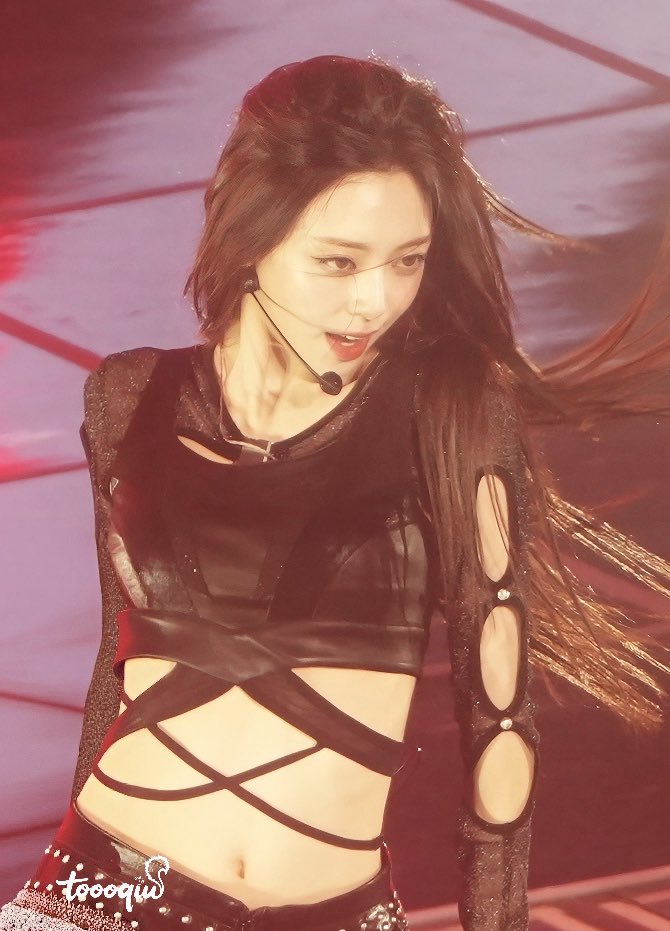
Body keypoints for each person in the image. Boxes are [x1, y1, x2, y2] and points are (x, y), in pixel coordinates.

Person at [3, 54, 670, 931]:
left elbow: (500, 722)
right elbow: (116, 666)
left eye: (407, 261)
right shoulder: (129, 396)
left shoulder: (452, 410)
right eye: (339, 261)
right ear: (251, 236)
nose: (375, 301)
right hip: (98, 893)